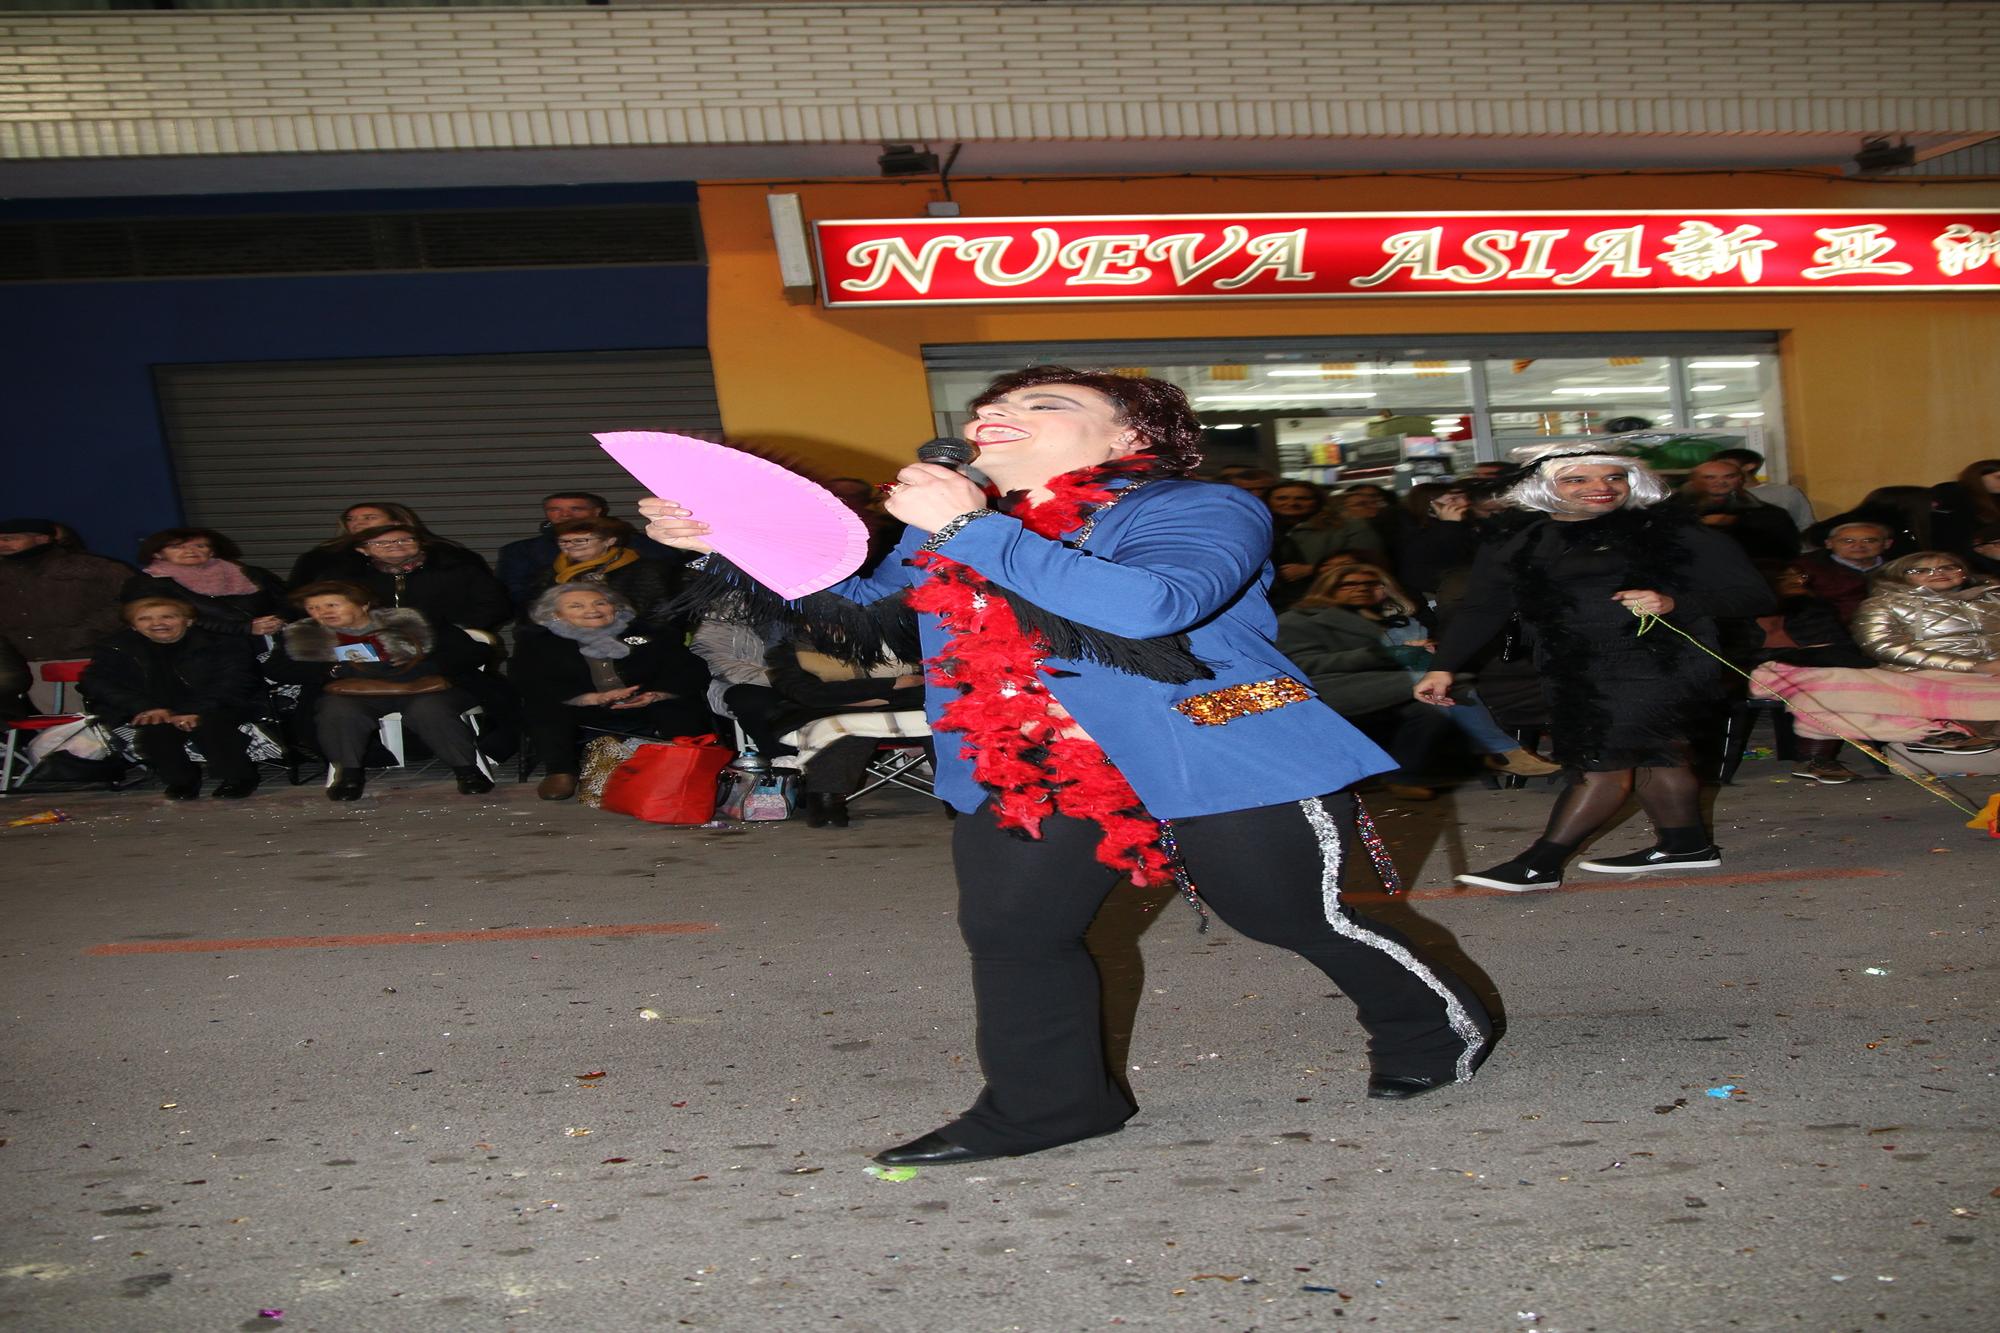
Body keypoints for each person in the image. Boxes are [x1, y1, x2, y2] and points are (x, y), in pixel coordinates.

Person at [643, 365, 1495, 1166]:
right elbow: (862, 614)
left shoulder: (1199, 505)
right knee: (1015, 934)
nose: (994, 415)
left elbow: (1155, 606)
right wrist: (728, 539)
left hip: (1213, 748)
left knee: (1289, 917)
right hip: (1028, 762)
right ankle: (1047, 1105)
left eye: (1044, 402)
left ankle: (1430, 1027)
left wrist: (968, 528)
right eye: (987, 408)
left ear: (1130, 436)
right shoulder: (959, 524)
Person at [1414, 444, 1773, 891]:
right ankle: (1686, 845)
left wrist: (1674, 602)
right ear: (1545, 486)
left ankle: (1540, 864)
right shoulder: (1516, 539)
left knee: (1603, 761)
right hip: (1572, 665)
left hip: (1656, 662)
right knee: (1654, 753)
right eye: (1577, 479)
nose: (1600, 487)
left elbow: (1756, 596)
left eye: (1613, 477)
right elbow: (1483, 608)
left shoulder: (1671, 531)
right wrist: (1444, 666)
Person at [1277, 564, 1560, 787]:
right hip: (1330, 687)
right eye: (1349, 584)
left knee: (1441, 689)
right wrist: (1385, 654)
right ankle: (1503, 753)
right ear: (1327, 588)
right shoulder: (1300, 620)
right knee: (1439, 685)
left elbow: (1418, 659)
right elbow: (1301, 664)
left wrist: (1426, 652)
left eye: (1372, 584)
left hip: (1390, 685)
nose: (1361, 589)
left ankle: (1450, 763)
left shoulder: (1401, 620)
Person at [1752, 552, 2000, 756]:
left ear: (1964, 572)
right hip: (1921, 672)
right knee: (1832, 685)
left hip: (1992, 669)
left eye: (1949, 567)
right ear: (1899, 577)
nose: (1938, 573)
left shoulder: (1993, 597)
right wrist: (1973, 666)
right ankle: (1942, 735)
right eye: (1921, 570)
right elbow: (1883, 646)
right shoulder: (1882, 604)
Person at [263, 581, 494, 800]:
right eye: (313, 608)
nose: (322, 613)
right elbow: (276, 668)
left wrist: (424, 667)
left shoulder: (412, 622)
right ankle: (349, 776)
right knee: (337, 710)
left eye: (331, 605)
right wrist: (331, 669)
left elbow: (474, 651)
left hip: (420, 687)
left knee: (430, 709)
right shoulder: (304, 635)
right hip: (354, 692)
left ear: (363, 604)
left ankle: (467, 771)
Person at [511, 585, 714, 801]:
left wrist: (657, 694)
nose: (592, 610)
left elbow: (689, 669)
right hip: (582, 708)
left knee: (679, 703)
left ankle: (688, 765)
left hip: (646, 704)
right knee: (543, 708)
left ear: (615, 607)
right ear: (556, 614)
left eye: (600, 603)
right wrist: (589, 698)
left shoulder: (652, 633)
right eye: (576, 606)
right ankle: (560, 771)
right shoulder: (537, 642)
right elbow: (530, 681)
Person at [80, 597, 266, 799]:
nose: (157, 623)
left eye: (168, 617)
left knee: (210, 726)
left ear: (188, 621)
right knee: (156, 731)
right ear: (133, 626)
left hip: (219, 703)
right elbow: (95, 682)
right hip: (154, 706)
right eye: (144, 619)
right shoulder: (115, 647)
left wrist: (195, 710)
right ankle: (182, 781)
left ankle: (239, 777)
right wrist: (144, 707)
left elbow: (236, 681)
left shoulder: (222, 642)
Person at [763, 629, 927, 828]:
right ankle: (826, 803)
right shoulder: (787, 650)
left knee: (942, 721)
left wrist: (869, 695)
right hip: (825, 714)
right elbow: (809, 695)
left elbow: (926, 686)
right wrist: (893, 684)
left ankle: (956, 796)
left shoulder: (899, 640)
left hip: (899, 710)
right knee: (842, 728)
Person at [1752, 564, 1877, 785]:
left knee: (1837, 680)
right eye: (1788, 577)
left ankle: (1815, 757)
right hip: (1760, 671)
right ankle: (1814, 758)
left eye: (1800, 576)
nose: (1799, 581)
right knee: (1827, 682)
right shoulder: (1741, 607)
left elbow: (1839, 646)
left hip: (1817, 669)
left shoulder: (1813, 606)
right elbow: (1742, 649)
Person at [0, 516, 132, 715]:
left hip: (87, 656)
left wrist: (86, 632)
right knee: (55, 724)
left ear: (42, 538)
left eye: (9, 539)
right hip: (24, 661)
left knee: (103, 720)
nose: (2, 544)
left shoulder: (94, 568)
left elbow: (135, 602)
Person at [495, 491, 680, 605]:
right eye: (555, 509)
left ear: (597, 512)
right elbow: (513, 594)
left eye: (576, 509)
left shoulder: (639, 545)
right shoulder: (521, 551)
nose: (565, 515)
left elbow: (667, 589)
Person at [121, 528, 289, 641]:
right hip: (203, 646)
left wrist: (278, 619)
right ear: (158, 554)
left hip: (272, 639)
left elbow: (285, 600)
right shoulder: (147, 583)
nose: (190, 551)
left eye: (200, 546)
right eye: (177, 547)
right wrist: (244, 628)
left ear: (212, 551)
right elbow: (166, 621)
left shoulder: (251, 572)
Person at [518, 517, 680, 629]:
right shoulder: (549, 572)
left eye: (580, 540)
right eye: (563, 541)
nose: (570, 545)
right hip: (562, 644)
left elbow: (660, 611)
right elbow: (533, 611)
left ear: (609, 541)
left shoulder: (644, 570)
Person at [343, 525, 511, 632]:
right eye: (381, 543)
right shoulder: (352, 577)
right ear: (362, 550)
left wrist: (456, 630)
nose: (395, 545)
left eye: (405, 540)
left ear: (420, 543)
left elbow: (495, 606)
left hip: (447, 642)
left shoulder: (457, 569)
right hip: (373, 641)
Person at [1675, 459, 1800, 562]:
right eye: (1709, 477)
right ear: (1693, 481)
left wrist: (1739, 522)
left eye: (1729, 477)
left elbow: (1787, 551)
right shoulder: (1673, 510)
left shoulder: (1770, 514)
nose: (1720, 482)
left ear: (1741, 480)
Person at [288, 502, 436, 586]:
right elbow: (299, 591)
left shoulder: (436, 552)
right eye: (350, 519)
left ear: (397, 522)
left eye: (369, 518)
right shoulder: (323, 556)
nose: (358, 523)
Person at [1787, 521, 1893, 625]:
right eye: (1847, 541)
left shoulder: (1898, 568)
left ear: (1887, 544)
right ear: (1829, 544)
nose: (1858, 546)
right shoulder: (1803, 568)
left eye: (1869, 541)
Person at [1710, 447, 1816, 531]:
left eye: (1726, 465)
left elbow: (1805, 526)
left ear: (1749, 466)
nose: (1721, 471)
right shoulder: (1712, 495)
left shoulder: (1784, 492)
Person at [1930, 460, 2000, 556]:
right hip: (1958, 554)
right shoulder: (1953, 496)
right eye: (1998, 477)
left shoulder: (1994, 500)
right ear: (1977, 477)